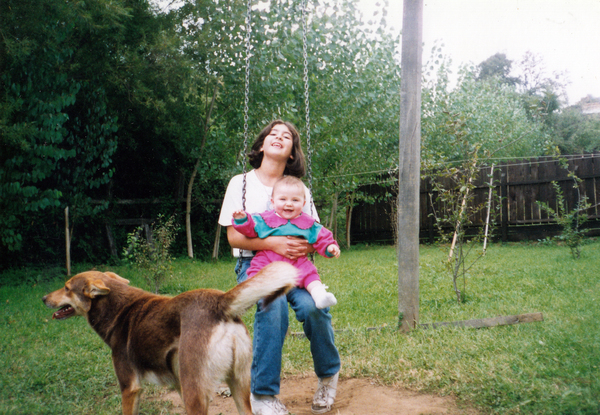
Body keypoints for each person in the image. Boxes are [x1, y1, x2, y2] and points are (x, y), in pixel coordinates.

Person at [218, 120, 340, 415]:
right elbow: (234, 236)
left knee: (314, 309)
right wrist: (273, 244)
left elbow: (315, 232)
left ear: (291, 153)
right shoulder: (241, 183)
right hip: (255, 264)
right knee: (274, 308)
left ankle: (328, 377)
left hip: (298, 267)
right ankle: (263, 395)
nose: (279, 137)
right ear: (261, 145)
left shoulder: (299, 189)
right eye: (273, 134)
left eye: (287, 137)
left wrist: (309, 247)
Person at [232, 175, 340, 310]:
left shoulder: (308, 222)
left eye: (295, 200)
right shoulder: (265, 219)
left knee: (310, 274)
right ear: (272, 202)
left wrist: (330, 247)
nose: (289, 203)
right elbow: (250, 230)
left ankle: (320, 296)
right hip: (268, 261)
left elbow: (322, 236)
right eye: (283, 199)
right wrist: (242, 219)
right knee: (258, 272)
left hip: (296, 261)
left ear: (303, 203)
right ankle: (253, 289)